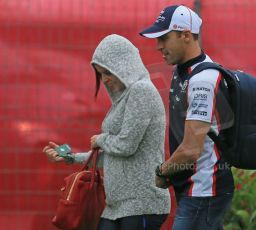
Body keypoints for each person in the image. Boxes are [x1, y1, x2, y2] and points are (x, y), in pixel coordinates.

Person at [42, 34, 171, 230]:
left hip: (142, 203)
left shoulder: (141, 91)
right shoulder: (124, 99)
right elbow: (112, 156)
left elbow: (126, 145)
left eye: (107, 72)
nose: (104, 80)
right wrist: (69, 157)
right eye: (100, 74)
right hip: (116, 206)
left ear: (124, 65)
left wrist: (101, 139)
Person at [140, 5, 234, 230]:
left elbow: (191, 150)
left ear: (186, 35)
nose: (158, 46)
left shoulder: (202, 79)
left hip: (203, 190)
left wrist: (162, 172)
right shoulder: (183, 71)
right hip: (196, 188)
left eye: (164, 37)